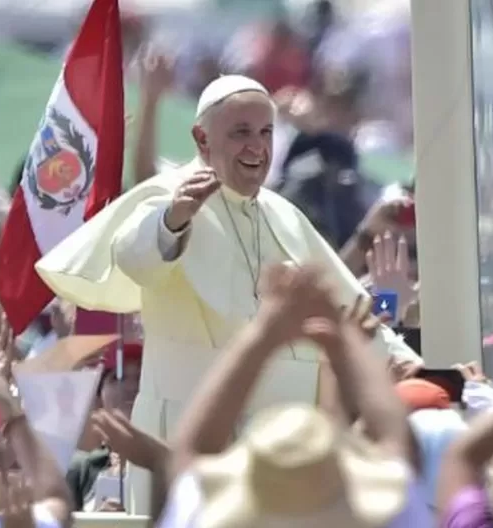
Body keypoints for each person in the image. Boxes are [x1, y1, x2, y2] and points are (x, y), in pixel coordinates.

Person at [35, 74, 421, 514]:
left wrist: (400, 356)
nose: (256, 147)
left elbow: (346, 304)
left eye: (265, 133)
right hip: (188, 433)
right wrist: (174, 220)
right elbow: (134, 257)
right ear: (202, 138)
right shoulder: (170, 195)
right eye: (240, 133)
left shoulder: (283, 214)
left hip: (281, 444)